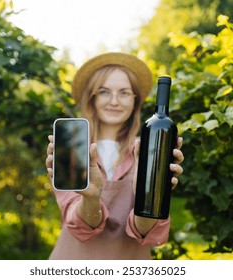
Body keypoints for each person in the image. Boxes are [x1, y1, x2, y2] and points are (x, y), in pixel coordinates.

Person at [45, 52, 184, 259]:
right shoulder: (72, 146)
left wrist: (149, 198)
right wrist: (91, 198)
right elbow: (79, 226)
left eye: (124, 93)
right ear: (91, 98)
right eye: (104, 92)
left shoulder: (149, 149)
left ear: (135, 100)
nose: (114, 101)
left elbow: (148, 233)